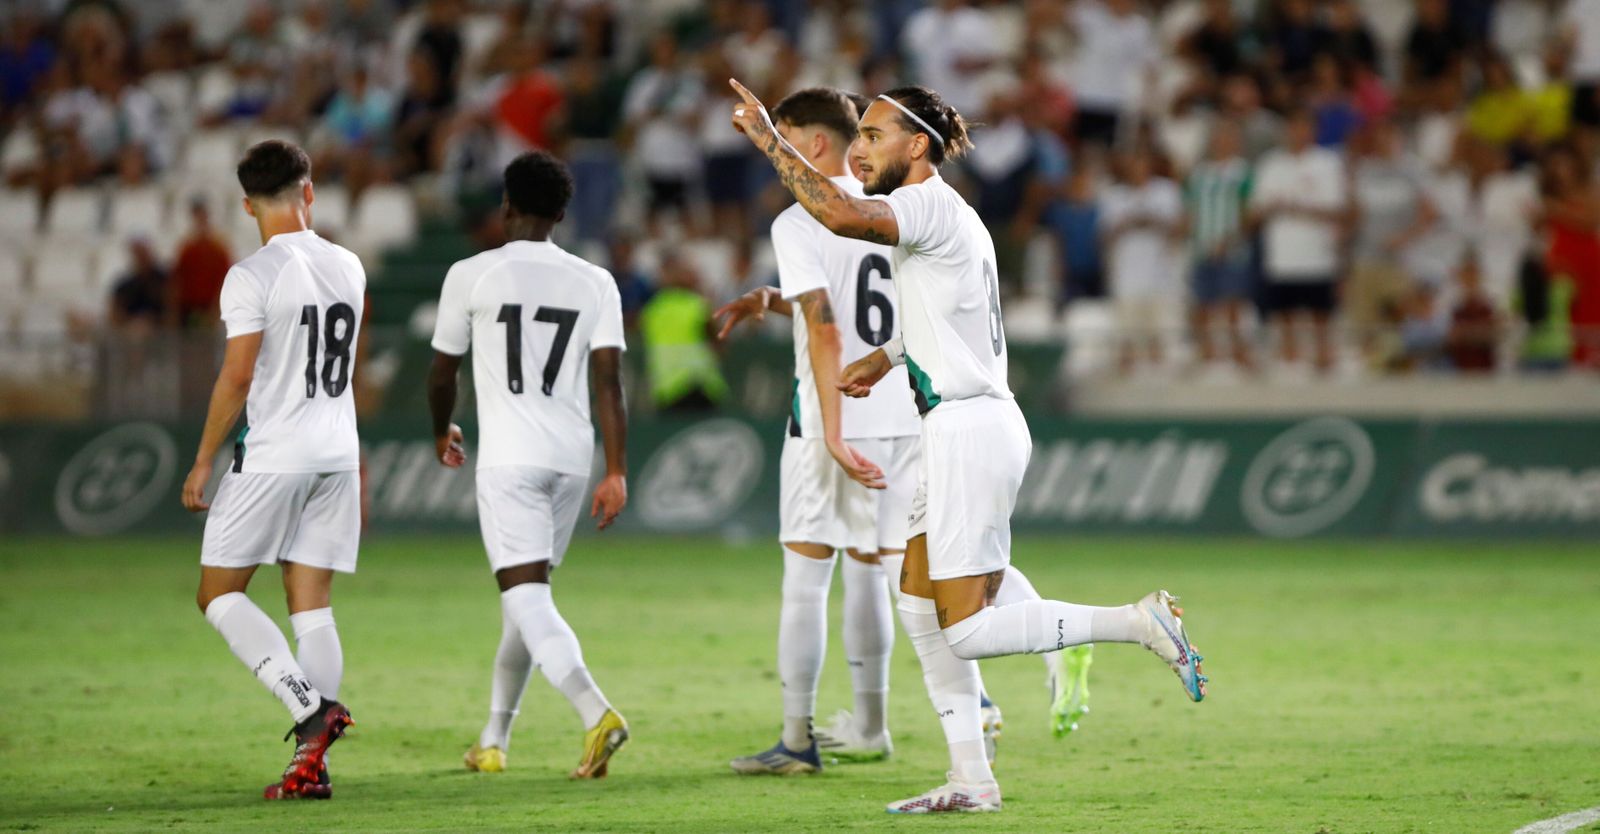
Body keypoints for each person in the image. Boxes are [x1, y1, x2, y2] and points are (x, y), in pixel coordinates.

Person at [729, 79, 1205, 814]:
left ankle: (1134, 622)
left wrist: (768, 138)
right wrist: (886, 355)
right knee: (917, 607)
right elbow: (954, 314)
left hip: (967, 429)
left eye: (875, 135)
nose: (860, 148)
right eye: (858, 136)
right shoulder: (956, 218)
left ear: (917, 147)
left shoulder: (921, 202)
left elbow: (836, 211)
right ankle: (971, 778)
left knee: (972, 630)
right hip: (958, 422)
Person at [426, 151, 630, 779]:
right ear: (563, 213)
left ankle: (597, 712)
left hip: (510, 459)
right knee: (526, 599)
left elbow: (442, 372)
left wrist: (442, 430)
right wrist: (616, 469)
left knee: (526, 596)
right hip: (571, 459)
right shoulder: (596, 280)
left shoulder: (471, 274)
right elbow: (609, 383)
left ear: (505, 206)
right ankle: (493, 739)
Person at [179, 140, 362, 800]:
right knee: (311, 607)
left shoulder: (251, 274)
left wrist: (203, 460)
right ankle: (314, 766)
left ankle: (308, 710)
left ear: (246, 204)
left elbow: (238, 375)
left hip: (277, 455)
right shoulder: (350, 266)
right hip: (337, 456)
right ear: (308, 192)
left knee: (219, 594)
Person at [1249, 109, 1348, 372]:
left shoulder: (1328, 163)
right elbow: (1254, 212)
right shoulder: (1270, 164)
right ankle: (1290, 364)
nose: (1298, 133)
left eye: (1304, 127)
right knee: (1285, 315)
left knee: (1320, 316)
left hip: (1317, 255)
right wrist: (1271, 208)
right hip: (1281, 256)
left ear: (1313, 130)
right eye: (1294, 127)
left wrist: (1301, 208)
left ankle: (1324, 363)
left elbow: (1339, 210)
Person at [1099, 144, 1185, 371]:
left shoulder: (1166, 192)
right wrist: (1128, 223)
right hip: (1126, 274)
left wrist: (1153, 221)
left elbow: (1180, 230)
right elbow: (1104, 236)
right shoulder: (1114, 195)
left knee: (1159, 332)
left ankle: (1158, 375)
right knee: (1126, 333)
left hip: (1159, 274)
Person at [1186, 123, 1255, 369]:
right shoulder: (1200, 173)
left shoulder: (1242, 171)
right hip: (1202, 248)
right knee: (1202, 302)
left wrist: (1229, 240)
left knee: (1233, 302)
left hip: (1233, 249)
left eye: (1229, 137)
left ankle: (1239, 350)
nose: (1224, 142)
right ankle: (1205, 350)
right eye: (1220, 137)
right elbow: (1192, 210)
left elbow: (1248, 210)